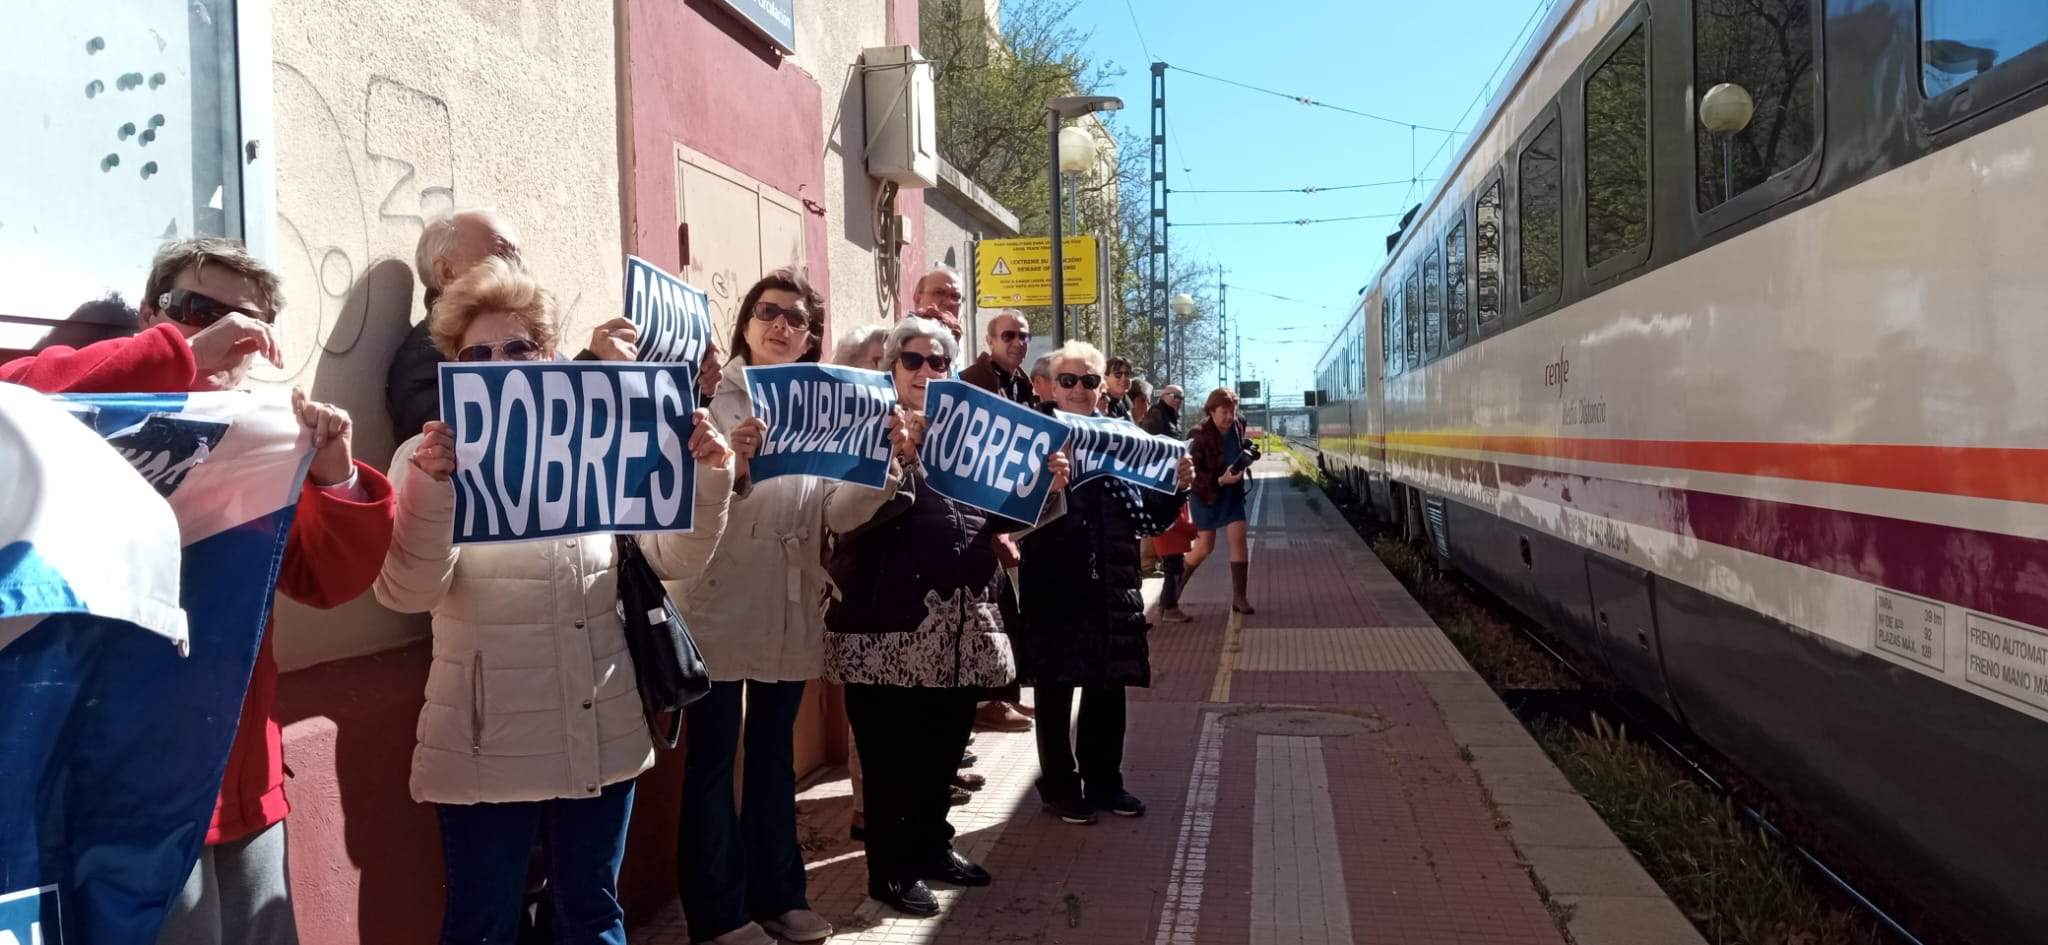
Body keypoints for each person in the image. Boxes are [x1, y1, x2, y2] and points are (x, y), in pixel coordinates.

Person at [3, 237, 397, 945]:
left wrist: (334, 475)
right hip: (122, 793)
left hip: (241, 782)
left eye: (245, 326)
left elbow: (330, 579)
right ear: (152, 312)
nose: (222, 334)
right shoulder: (85, 410)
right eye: (196, 309)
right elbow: (20, 399)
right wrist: (178, 356)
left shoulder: (256, 442)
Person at [373, 259, 733, 945]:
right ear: (453, 365)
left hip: (600, 729)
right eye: (476, 353)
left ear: (547, 352)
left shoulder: (601, 443)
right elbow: (407, 590)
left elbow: (674, 557)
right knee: (484, 925)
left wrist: (711, 476)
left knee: (593, 917)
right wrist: (434, 491)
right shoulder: (423, 458)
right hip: (485, 739)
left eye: (517, 347)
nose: (499, 363)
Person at [824, 317, 1069, 916]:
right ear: (890, 367)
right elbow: (839, 517)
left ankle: (932, 845)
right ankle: (890, 871)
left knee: (942, 750)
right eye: (913, 360)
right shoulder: (860, 430)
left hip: (960, 628)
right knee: (891, 761)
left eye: (939, 363)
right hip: (884, 631)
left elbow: (1006, 521)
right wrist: (898, 459)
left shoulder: (971, 438)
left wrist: (1050, 490)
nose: (927, 372)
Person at [680, 269, 873, 945]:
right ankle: (718, 912)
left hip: (788, 602)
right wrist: (732, 465)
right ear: (747, 321)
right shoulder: (709, 393)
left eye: (796, 317)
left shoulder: (820, 404)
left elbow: (834, 509)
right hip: (715, 597)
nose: (781, 325)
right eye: (769, 312)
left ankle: (779, 895)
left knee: (772, 759)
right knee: (711, 759)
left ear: (811, 335)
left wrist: (882, 472)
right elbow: (679, 498)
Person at [1017, 341, 1193, 825]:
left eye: (1089, 380)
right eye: (1068, 380)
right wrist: (1044, 485)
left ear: (1102, 388)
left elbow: (1151, 518)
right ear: (1051, 386)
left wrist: (1177, 485)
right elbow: (1008, 514)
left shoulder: (1124, 437)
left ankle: (1104, 782)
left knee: (1107, 684)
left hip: (1113, 581)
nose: (1078, 389)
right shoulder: (1031, 435)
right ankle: (1058, 786)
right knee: (1056, 689)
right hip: (1055, 582)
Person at [387, 209, 523, 442]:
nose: (518, 267)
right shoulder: (422, 364)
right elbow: (471, 443)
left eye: (518, 256)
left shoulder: (525, 333)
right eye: (502, 253)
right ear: (447, 273)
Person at [1185, 388, 1257, 616]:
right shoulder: (1197, 434)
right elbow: (1193, 476)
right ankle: (1172, 591)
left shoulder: (1238, 424)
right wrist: (1219, 480)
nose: (1229, 417)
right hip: (1205, 494)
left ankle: (1239, 597)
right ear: (1212, 411)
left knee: (1239, 538)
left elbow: (1238, 447)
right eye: (1224, 412)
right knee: (1205, 546)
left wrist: (1246, 454)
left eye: (1232, 412)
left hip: (1231, 493)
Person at [958, 309, 1032, 405]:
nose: (1018, 343)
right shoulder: (968, 382)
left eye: (1023, 337)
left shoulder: (1024, 383)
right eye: (1008, 336)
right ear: (990, 341)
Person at [1154, 503, 1198, 623]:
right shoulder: (1170, 499)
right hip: (1171, 543)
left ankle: (1164, 605)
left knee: (1172, 574)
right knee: (1173, 576)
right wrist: (1193, 529)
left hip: (1169, 542)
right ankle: (1170, 608)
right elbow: (1177, 522)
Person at [908, 266, 965, 339]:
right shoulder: (900, 342)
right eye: (939, 293)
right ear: (918, 297)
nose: (948, 303)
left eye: (956, 296)